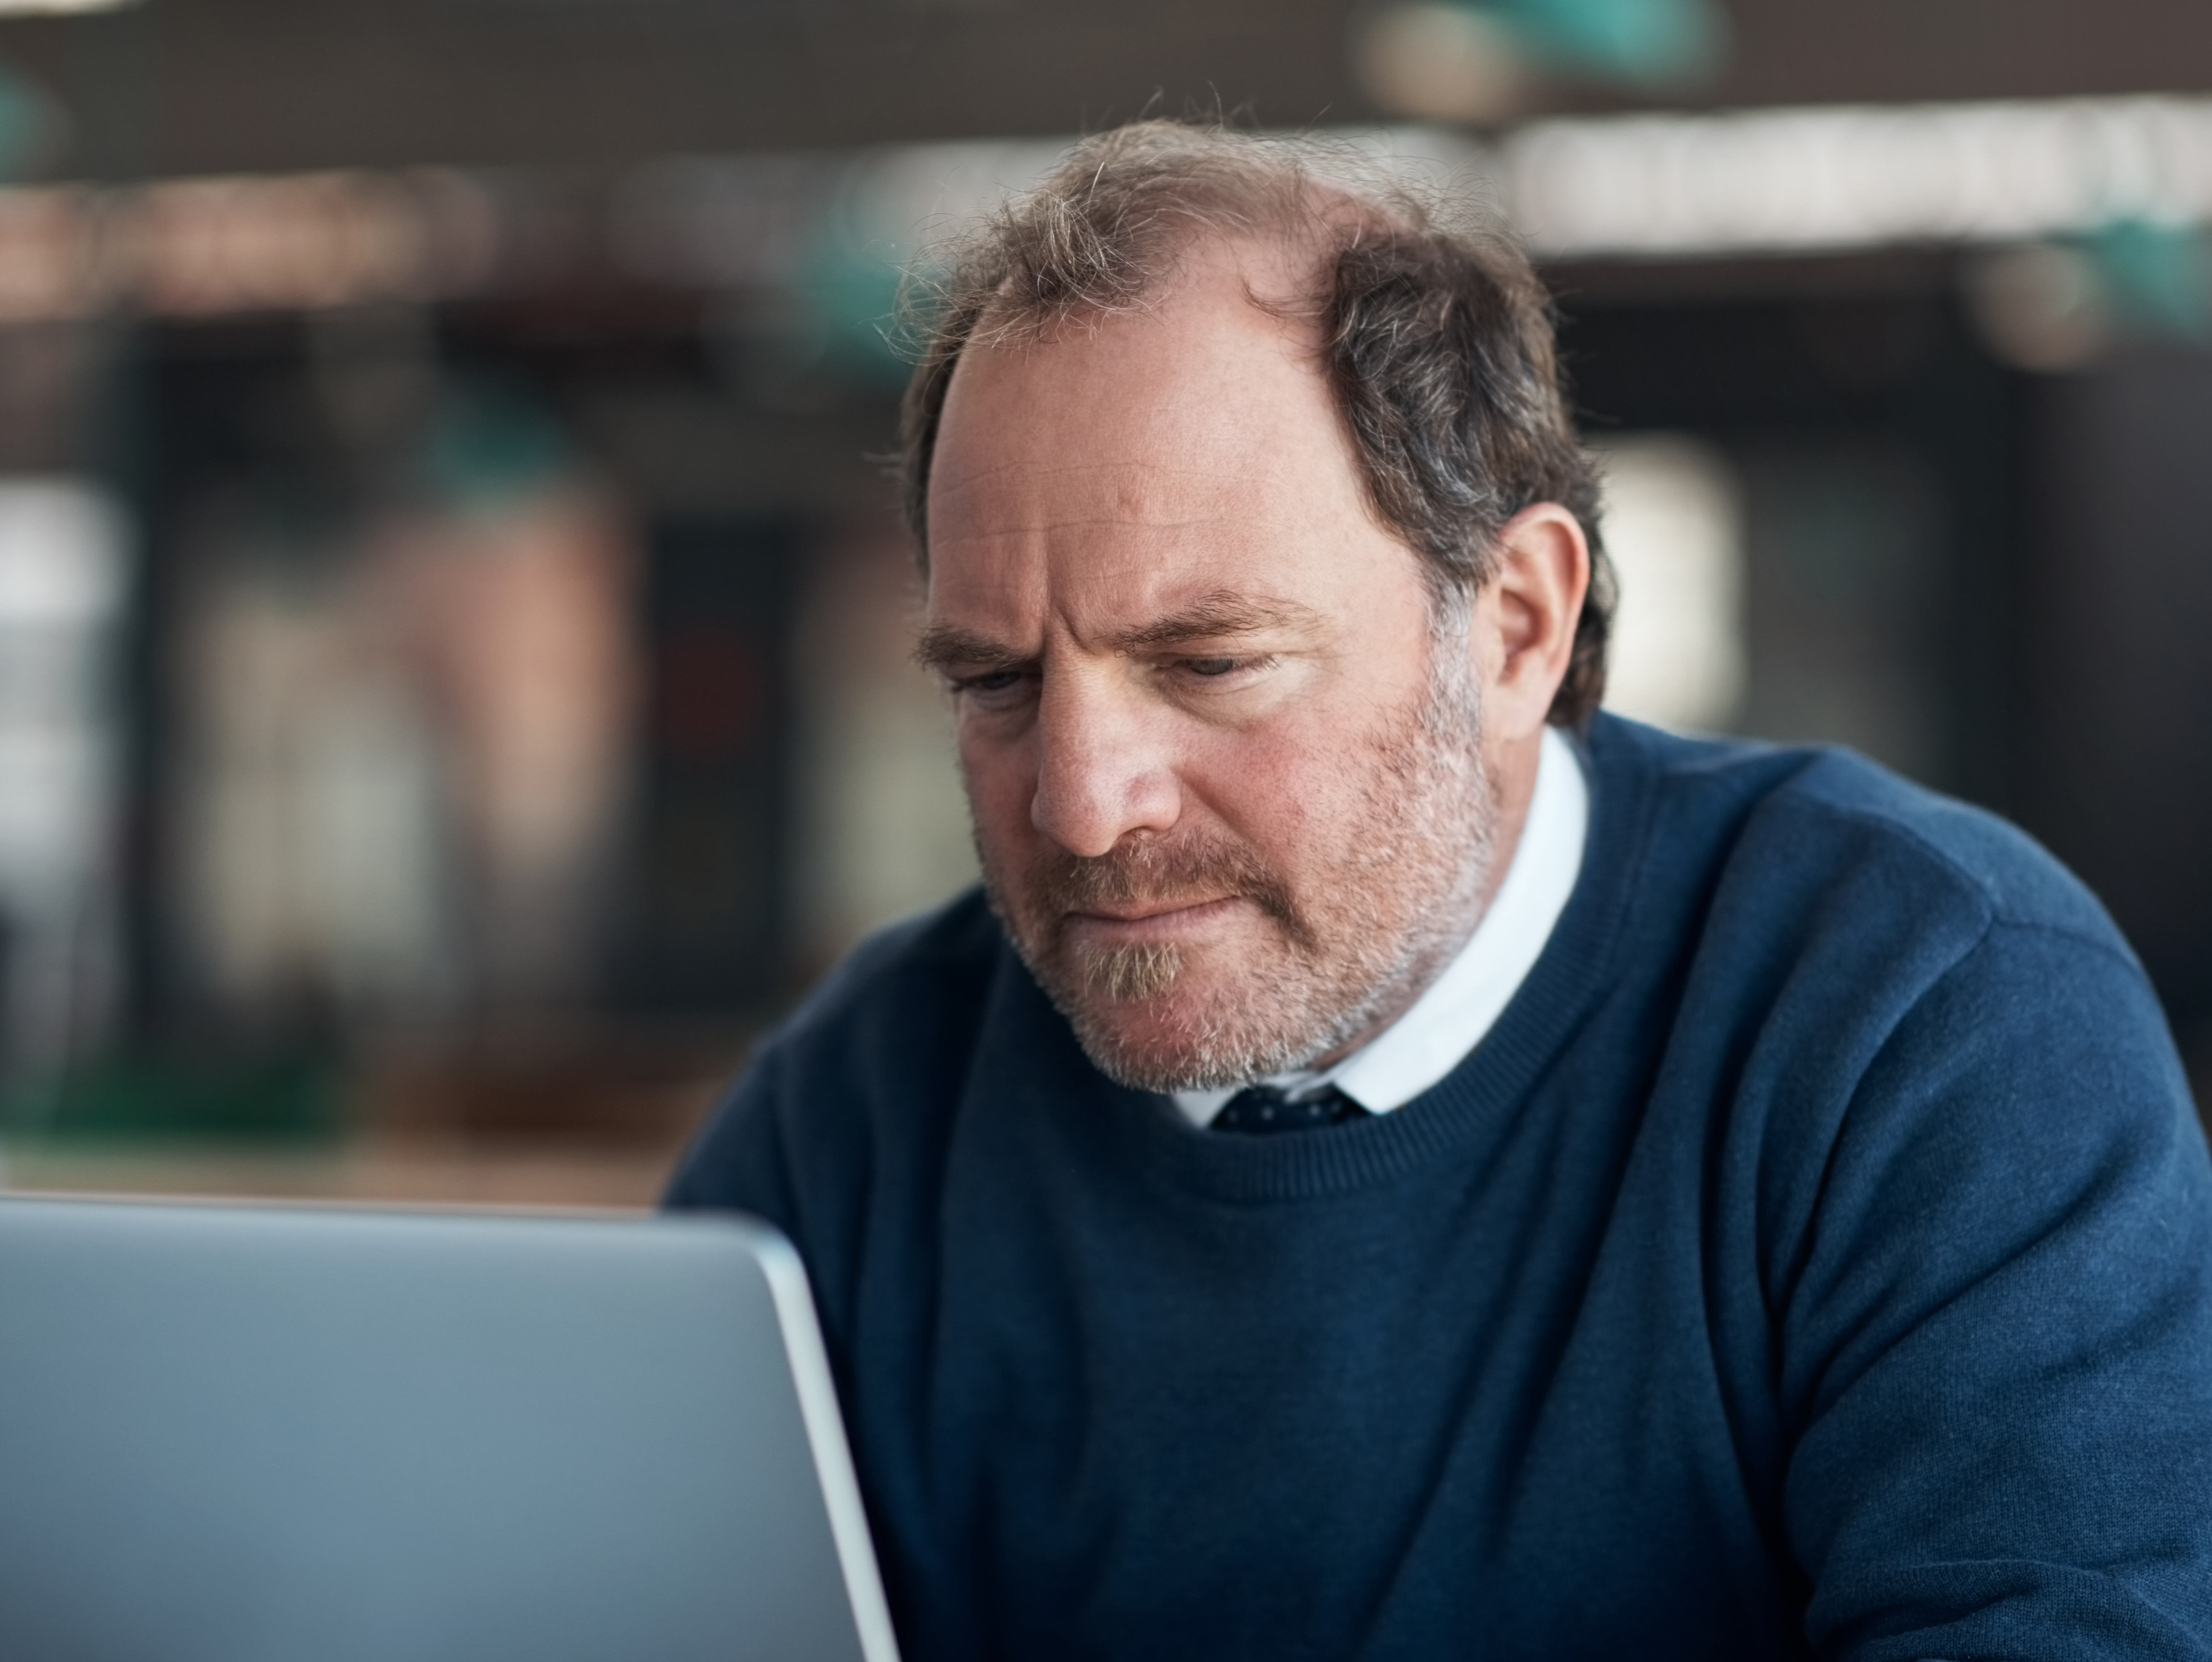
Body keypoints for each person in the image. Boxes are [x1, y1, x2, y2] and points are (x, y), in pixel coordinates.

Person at [666, 121, 2212, 1660]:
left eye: (1210, 664)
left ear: (1516, 630)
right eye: (997, 681)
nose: (1078, 802)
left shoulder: (1930, 1022)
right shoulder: (864, 1117)